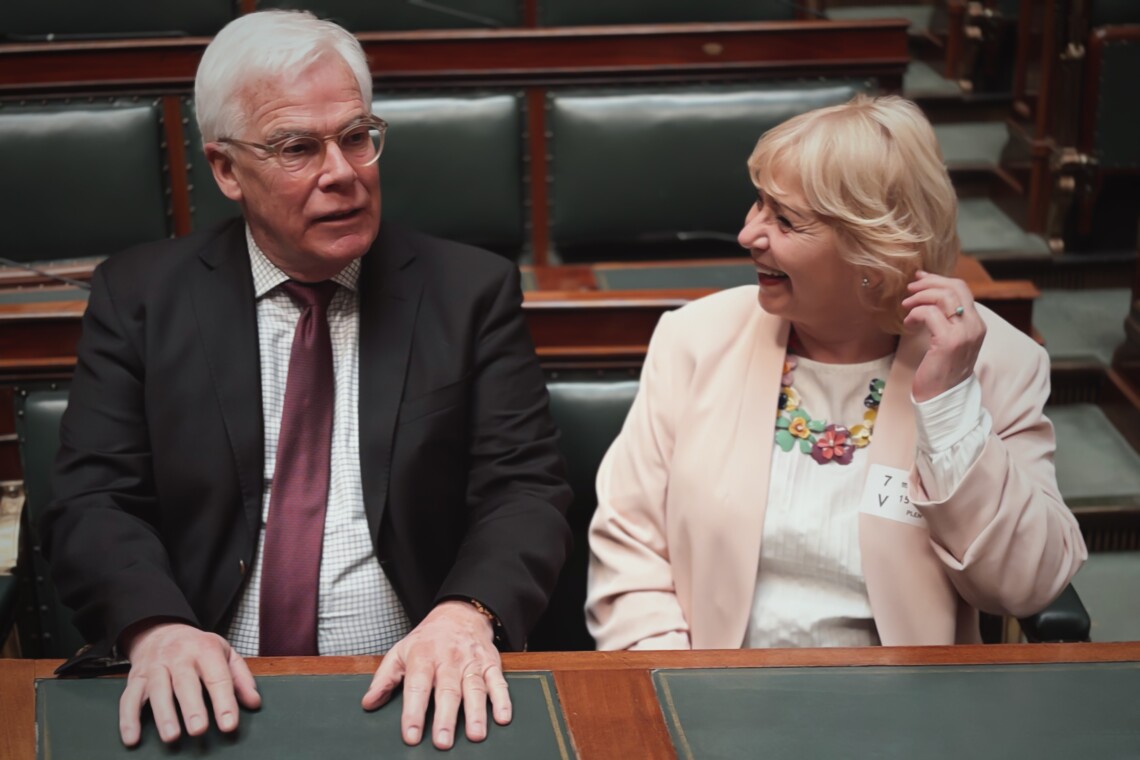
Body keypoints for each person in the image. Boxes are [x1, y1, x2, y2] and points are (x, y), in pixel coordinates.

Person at [40, 10, 572, 751]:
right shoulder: (141, 297)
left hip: (414, 681)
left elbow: (524, 489)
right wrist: (156, 629)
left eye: (357, 137)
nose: (343, 173)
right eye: (298, 147)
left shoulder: (466, 292)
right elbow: (94, 499)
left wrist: (465, 614)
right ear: (226, 168)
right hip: (206, 681)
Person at [586, 94, 1087, 651]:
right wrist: (677, 688)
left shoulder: (995, 361)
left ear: (873, 253)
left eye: (784, 220)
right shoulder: (696, 339)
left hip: (907, 710)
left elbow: (1028, 587)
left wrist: (950, 409)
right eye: (758, 205)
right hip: (712, 690)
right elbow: (629, 547)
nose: (748, 235)